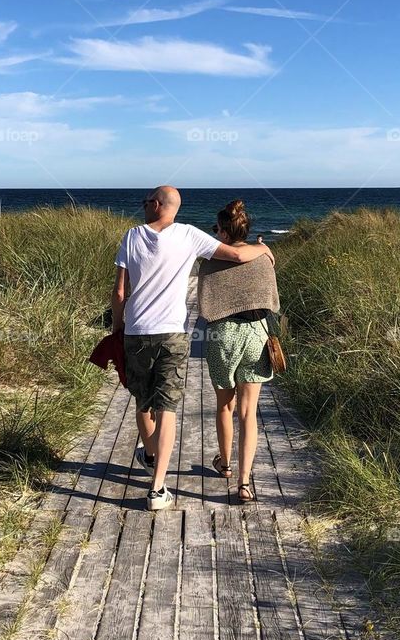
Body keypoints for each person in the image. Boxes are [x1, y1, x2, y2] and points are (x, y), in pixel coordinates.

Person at [112, 186, 273, 510]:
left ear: (156, 205)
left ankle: (165, 456)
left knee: (147, 404)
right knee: (179, 409)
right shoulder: (191, 236)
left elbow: (119, 293)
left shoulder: (132, 236)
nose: (143, 206)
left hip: (147, 333)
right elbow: (245, 263)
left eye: (145, 202)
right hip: (198, 333)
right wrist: (265, 248)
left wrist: (117, 328)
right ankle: (174, 487)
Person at [196, 199, 280, 503]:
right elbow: (273, 299)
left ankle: (226, 464)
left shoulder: (210, 262)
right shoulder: (264, 258)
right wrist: (264, 249)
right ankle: (244, 484)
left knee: (224, 405)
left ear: (221, 230)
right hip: (257, 333)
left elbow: (205, 302)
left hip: (222, 335)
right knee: (248, 413)